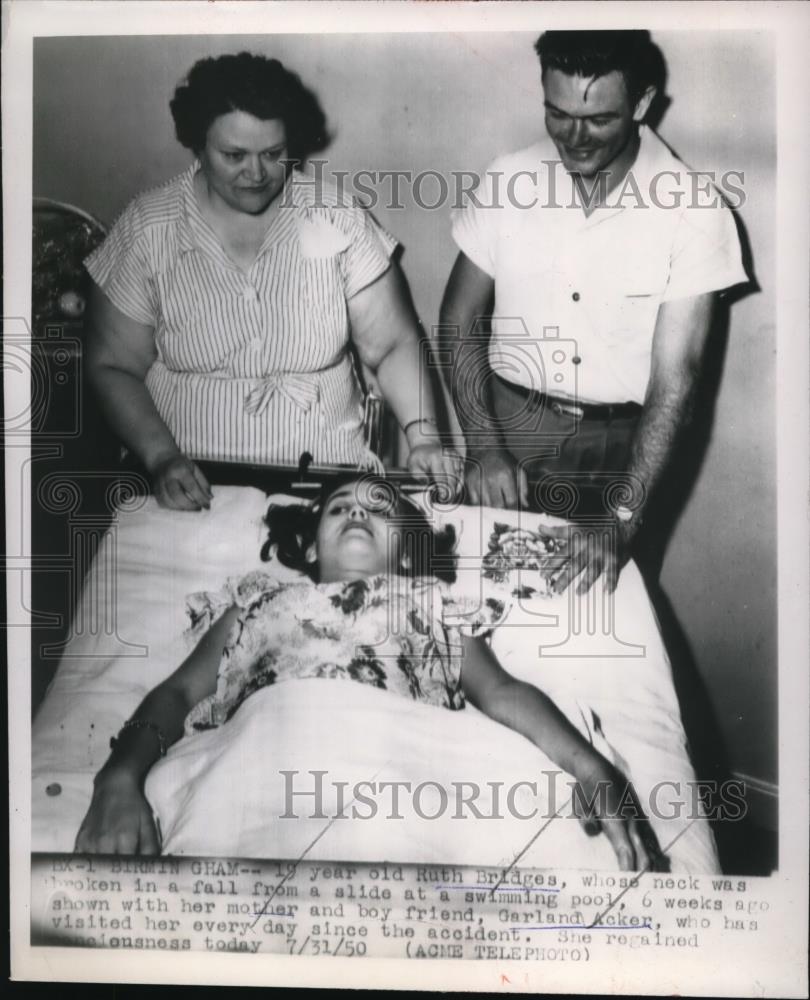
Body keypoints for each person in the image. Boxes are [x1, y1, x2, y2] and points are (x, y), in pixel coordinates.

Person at [74, 474, 661, 870]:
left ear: (408, 550)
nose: (357, 509)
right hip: (266, 760)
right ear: (308, 548)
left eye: (379, 508)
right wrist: (117, 781)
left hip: (399, 774)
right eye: (338, 507)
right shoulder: (256, 604)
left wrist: (592, 767)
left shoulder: (433, 604)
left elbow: (501, 691)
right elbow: (177, 693)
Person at [440, 30, 747, 593]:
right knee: (480, 603)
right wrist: (484, 448)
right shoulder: (509, 179)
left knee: (598, 625)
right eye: (557, 114)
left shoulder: (695, 209)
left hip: (625, 454)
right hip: (510, 429)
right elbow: (458, 323)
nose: (574, 138)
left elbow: (676, 385)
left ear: (643, 103)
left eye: (598, 120)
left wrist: (622, 522)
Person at [85, 52, 458, 511]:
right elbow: (113, 366)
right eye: (234, 155)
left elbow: (394, 344)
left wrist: (424, 439)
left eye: (273, 154)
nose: (257, 174)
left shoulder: (335, 215)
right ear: (197, 146)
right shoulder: (148, 227)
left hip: (327, 480)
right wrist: (161, 457)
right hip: (185, 479)